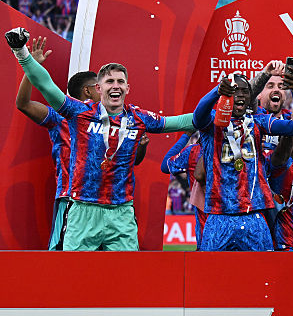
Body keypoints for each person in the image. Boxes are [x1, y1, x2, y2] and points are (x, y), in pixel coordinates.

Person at [6, 27, 193, 250]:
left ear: (127, 87)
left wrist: (219, 109)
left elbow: (180, 122)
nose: (115, 86)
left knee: (125, 278)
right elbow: (44, 88)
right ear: (97, 88)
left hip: (121, 211)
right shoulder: (76, 113)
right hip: (80, 205)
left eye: (120, 82)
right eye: (109, 82)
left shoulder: (138, 118)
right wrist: (22, 54)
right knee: (75, 277)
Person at [191, 69, 293, 251]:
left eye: (245, 91)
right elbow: (198, 117)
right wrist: (217, 91)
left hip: (254, 215)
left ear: (250, 97)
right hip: (219, 215)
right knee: (210, 275)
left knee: (262, 274)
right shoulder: (212, 122)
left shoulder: (258, 122)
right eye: (234, 90)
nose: (240, 95)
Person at [14, 36, 103, 249]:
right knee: (65, 260)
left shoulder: (111, 122)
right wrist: (30, 67)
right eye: (99, 86)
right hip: (70, 200)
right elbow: (23, 104)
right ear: (87, 91)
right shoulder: (60, 118)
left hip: (105, 203)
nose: (106, 90)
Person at [161, 131, 205, 244]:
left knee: (209, 259)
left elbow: (165, 166)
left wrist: (187, 135)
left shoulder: (194, 151)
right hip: (245, 215)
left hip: (206, 224)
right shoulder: (243, 148)